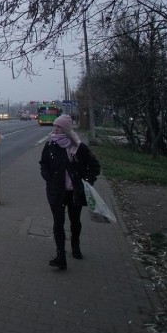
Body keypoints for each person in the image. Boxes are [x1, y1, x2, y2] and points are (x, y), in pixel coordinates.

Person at [39, 114, 101, 270]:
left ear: (65, 129)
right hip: (56, 191)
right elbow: (44, 164)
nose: (55, 129)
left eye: (58, 127)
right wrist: (49, 179)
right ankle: (60, 255)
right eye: (55, 126)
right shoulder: (50, 144)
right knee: (58, 223)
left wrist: (87, 181)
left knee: (75, 221)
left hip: (74, 192)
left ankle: (76, 246)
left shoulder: (79, 147)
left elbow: (94, 166)